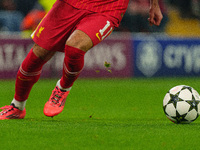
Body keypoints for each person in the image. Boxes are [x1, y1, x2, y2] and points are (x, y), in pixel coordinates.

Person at [0, 0, 163, 120]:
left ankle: (62, 88)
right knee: (38, 54)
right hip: (70, 4)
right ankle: (17, 106)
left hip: (108, 6)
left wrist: (154, 5)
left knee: (75, 46)